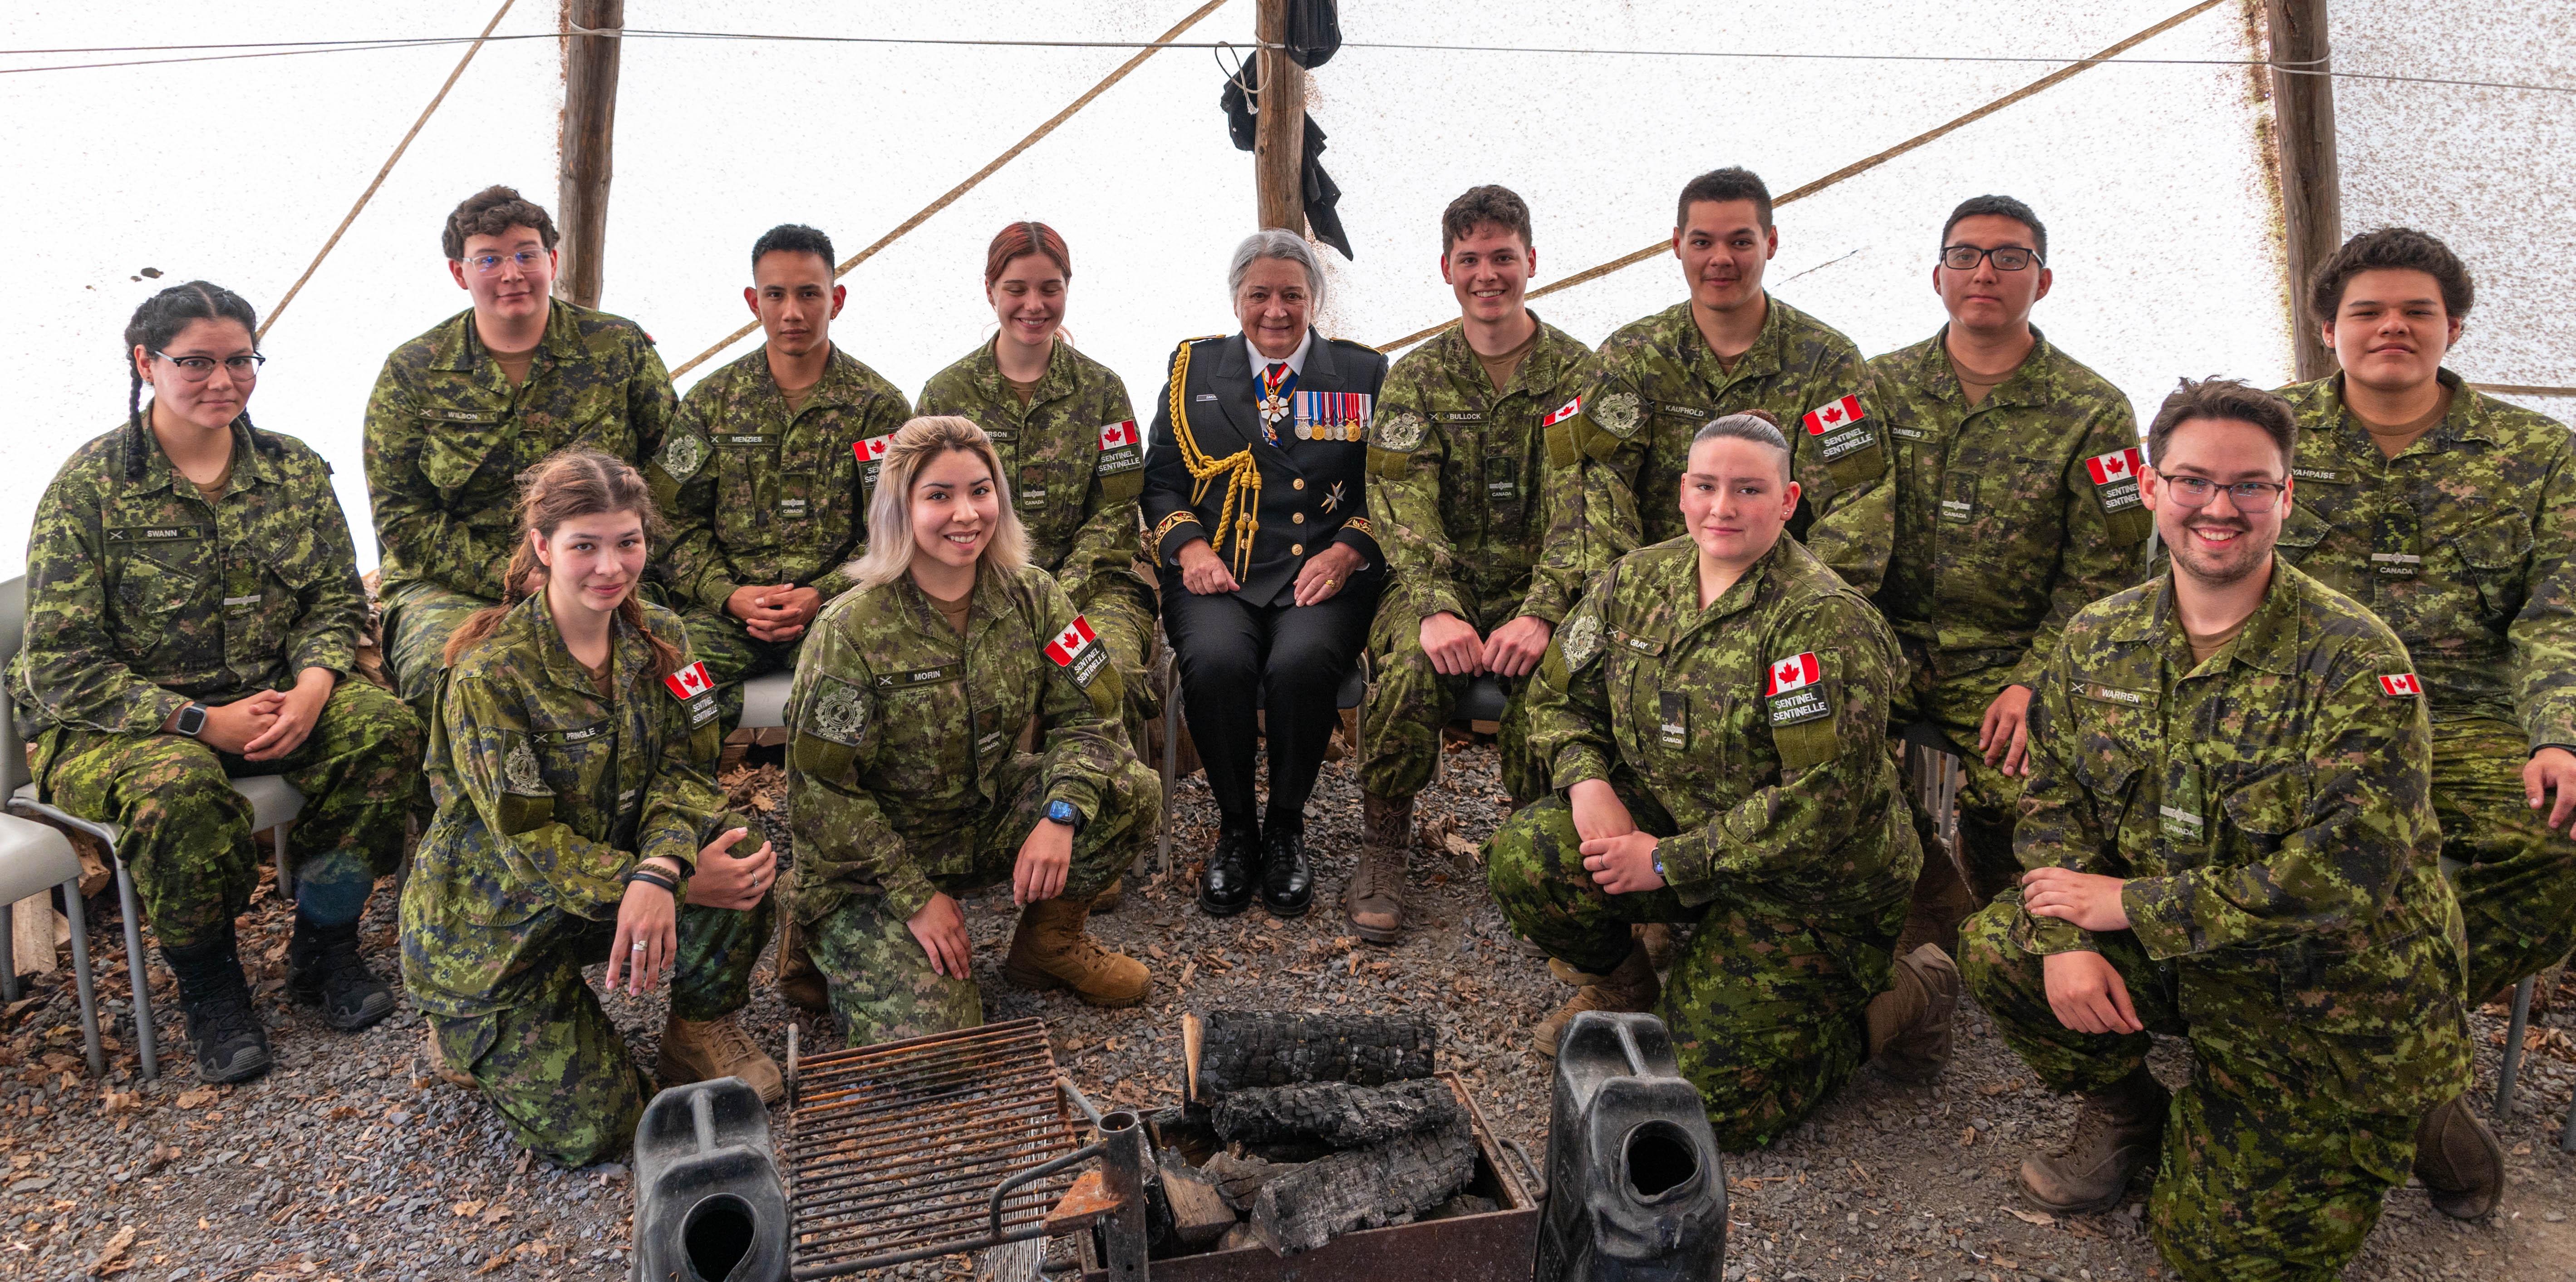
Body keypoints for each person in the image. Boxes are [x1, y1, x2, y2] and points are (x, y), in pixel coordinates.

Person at [1959, 379, 2472, 1279]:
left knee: (2218, 1256)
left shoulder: (2355, 659)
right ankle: (2131, 1111)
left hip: (2328, 983)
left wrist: (2132, 904)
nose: (2218, 508)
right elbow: (2052, 798)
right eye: (2192, 479)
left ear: (2286, 498)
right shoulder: (2098, 637)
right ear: (2153, 488)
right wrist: (2069, 932)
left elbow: (2352, 870)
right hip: (2177, 944)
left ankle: (2413, 1098)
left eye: (2249, 485)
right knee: (2003, 946)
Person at [1487, 412, 1954, 1150]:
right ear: (1682, 491)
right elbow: (1554, 697)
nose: (1722, 507)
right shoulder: (1634, 580)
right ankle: (1627, 985)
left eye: (1748, 489)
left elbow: (1821, 802)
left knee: (1709, 1105)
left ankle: (1913, 992)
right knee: (1530, 852)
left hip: (1810, 882)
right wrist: (1587, 783)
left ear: (1789, 499)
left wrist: (1667, 861)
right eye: (1706, 485)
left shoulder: (1822, 619)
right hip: (1674, 824)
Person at [9, 283, 420, 1083]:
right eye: (196, 361)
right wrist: (201, 720)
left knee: (382, 731)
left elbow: (334, 599)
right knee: (179, 793)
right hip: (123, 730)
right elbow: (60, 661)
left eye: (240, 360)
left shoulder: (292, 469)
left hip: (272, 699)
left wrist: (311, 687)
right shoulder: (90, 486)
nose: (222, 380)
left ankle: (324, 945)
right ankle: (212, 986)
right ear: (146, 362)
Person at [2269, 228, 2576, 1219]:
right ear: (2329, 328)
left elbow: (2559, 613)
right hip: (2296, 711)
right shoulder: (2268, 432)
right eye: (2367, 310)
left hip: (2468, 718)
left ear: (2453, 327)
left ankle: (2380, 1027)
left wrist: (2559, 733)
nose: (2392, 326)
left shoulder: (2538, 456)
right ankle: (2392, 1055)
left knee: (2560, 841)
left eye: (2416, 311)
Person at [401, 449, 780, 1168]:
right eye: (585, 546)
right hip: (499, 922)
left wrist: (665, 865)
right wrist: (652, 882)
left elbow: (685, 767)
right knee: (606, 1132)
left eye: (628, 542)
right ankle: (465, 1020)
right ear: (543, 549)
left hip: (618, 882)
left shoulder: (667, 640)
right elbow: (527, 840)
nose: (611, 566)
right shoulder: (489, 673)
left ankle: (697, 1027)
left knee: (741, 848)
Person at [783, 416, 1160, 1045]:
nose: (966, 514)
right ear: (900, 508)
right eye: (939, 495)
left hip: (977, 817)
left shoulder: (1033, 595)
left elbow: (1093, 714)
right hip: (874, 861)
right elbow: (819, 794)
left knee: (1129, 791)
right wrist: (913, 897)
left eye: (980, 491)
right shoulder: (849, 630)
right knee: (936, 1054)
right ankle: (814, 929)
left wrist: (1061, 813)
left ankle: (1047, 948)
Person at [1869, 195, 2149, 925]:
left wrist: (2033, 682)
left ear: (2043, 280)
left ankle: (2001, 926)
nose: (1985, 271)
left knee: (2026, 801)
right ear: (1938, 277)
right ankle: (1900, 924)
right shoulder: (1876, 387)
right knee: (1824, 773)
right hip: (1885, 648)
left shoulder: (2095, 410)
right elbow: (1834, 531)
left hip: (2010, 662)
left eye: (2010, 257)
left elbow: (2104, 574)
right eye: (1965, 255)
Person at [1354, 185, 1593, 942]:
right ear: (1446, 269)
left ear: (1532, 262)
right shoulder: (1418, 378)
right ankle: (1384, 838)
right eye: (1470, 259)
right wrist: (1433, 604)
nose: (1487, 274)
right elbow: (1399, 499)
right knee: (1404, 673)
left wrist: (1545, 610)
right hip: (1439, 584)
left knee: (1557, 680)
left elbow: (1584, 504)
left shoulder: (1578, 374)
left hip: (1542, 589)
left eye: (1502, 257)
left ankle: (1533, 843)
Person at [1143, 230, 1391, 919]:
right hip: (1219, 569)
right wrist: (1190, 550)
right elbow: (1162, 483)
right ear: (1237, 300)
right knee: (1218, 661)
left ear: (1315, 298)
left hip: (1323, 568)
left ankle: (1285, 826)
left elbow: (1390, 491)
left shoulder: (1364, 373)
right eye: (1260, 295)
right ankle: (1236, 829)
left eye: (1292, 294)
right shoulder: (1194, 369)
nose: (1276, 311)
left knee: (1304, 662)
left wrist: (1347, 552)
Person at [365, 185, 678, 725]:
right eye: (489, 259)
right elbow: (401, 516)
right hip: (455, 582)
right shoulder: (413, 371)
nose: (512, 274)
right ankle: (465, 809)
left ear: (551, 261)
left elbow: (671, 472)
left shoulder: (617, 348)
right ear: (459, 273)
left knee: (658, 664)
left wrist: (614, 558)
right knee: (447, 674)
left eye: (526, 255)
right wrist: (513, 576)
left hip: (600, 564)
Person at [1554, 166, 1891, 597]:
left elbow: (1856, 507)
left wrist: (1791, 609)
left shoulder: (1826, 362)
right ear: (1677, 245)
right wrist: (1626, 604)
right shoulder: (1634, 356)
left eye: (1740, 242)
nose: (1721, 259)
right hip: (1651, 607)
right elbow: (1599, 496)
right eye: (1702, 242)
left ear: (1770, 243)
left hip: (1780, 608)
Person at [653, 223, 911, 731]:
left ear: (836, 300)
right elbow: (667, 518)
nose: (792, 312)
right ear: (754, 302)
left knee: (880, 698)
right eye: (776, 294)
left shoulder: (878, 408)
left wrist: (823, 592)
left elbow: (896, 528)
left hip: (836, 614)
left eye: (809, 294)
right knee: (657, 688)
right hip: (728, 615)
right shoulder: (712, 402)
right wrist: (727, 593)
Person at [917, 221, 1156, 749]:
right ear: (990, 292)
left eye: (1050, 288)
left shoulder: (1102, 390)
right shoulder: (946, 394)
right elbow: (923, 508)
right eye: (1016, 289)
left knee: (1106, 675)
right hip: (974, 591)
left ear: (1067, 289)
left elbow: (1116, 511)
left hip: (1089, 594)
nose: (1034, 304)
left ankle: (1099, 817)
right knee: (954, 688)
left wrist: (1056, 596)